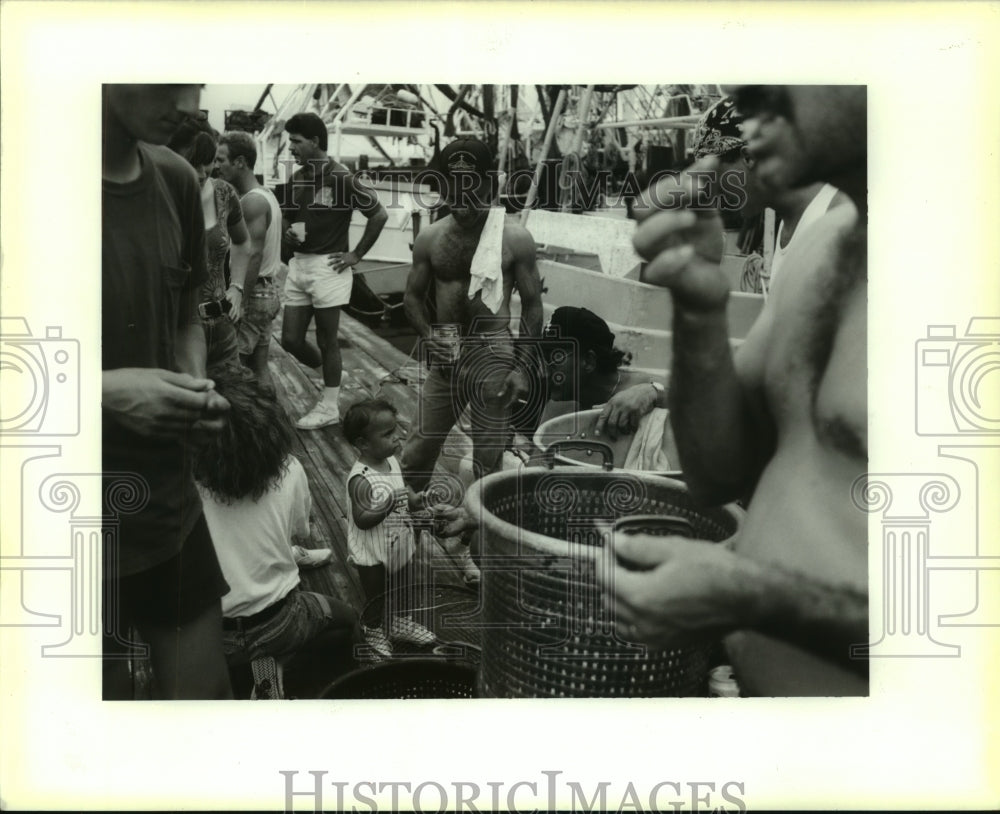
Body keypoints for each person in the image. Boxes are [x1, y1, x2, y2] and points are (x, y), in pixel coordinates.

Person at [599, 84, 868, 696]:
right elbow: (723, 472)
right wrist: (698, 312)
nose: (750, 88)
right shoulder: (828, 243)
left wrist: (750, 596)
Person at [593, 94, 850, 441]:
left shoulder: (840, 219)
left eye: (715, 176)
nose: (712, 192)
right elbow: (763, 363)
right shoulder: (790, 227)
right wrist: (656, 390)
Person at [101, 84, 232, 700]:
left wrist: (191, 385)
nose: (189, 99)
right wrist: (99, 393)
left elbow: (186, 315)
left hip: (166, 510)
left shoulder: (177, 177)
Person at [191, 366, 359, 691]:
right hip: (279, 622)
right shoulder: (291, 469)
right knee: (348, 616)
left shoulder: (184, 481)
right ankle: (272, 669)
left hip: (209, 635)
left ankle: (258, 673)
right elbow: (301, 530)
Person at [401, 136, 544, 509]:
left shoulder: (515, 238)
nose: (461, 195)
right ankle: (405, 532)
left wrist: (523, 369)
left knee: (489, 461)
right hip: (446, 354)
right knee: (417, 451)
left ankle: (481, 547)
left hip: (493, 351)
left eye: (471, 184)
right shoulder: (430, 237)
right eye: (452, 184)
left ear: (487, 182)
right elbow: (412, 297)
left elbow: (532, 307)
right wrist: (428, 335)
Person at [277, 112, 389, 429]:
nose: (292, 148)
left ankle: (328, 405)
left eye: (296, 142)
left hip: (330, 266)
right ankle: (329, 373)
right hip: (299, 264)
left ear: (315, 141)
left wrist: (356, 254)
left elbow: (378, 215)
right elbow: (288, 216)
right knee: (290, 340)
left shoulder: (342, 178)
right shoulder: (296, 178)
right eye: (290, 142)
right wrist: (287, 233)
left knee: (329, 340)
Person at [343, 398, 437, 656]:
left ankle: (400, 623)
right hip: (372, 549)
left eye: (396, 431)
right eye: (387, 434)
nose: (397, 438)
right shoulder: (361, 479)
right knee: (377, 594)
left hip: (399, 536)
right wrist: (390, 502)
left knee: (404, 582)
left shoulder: (391, 460)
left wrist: (414, 500)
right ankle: (373, 630)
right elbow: (362, 519)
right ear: (362, 443)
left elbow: (401, 487)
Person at [167, 119, 252, 369]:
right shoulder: (159, 198)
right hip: (177, 332)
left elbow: (243, 242)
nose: (202, 172)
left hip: (221, 325)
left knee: (236, 396)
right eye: (193, 163)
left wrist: (236, 287)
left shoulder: (224, 193)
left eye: (209, 161)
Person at [215, 130, 284, 390]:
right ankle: (274, 423)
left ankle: (244, 425)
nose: (216, 165)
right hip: (268, 292)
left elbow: (253, 254)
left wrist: (240, 302)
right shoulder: (265, 194)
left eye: (221, 160)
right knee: (259, 366)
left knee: (235, 369)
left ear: (240, 162)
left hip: (253, 294)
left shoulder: (252, 202)